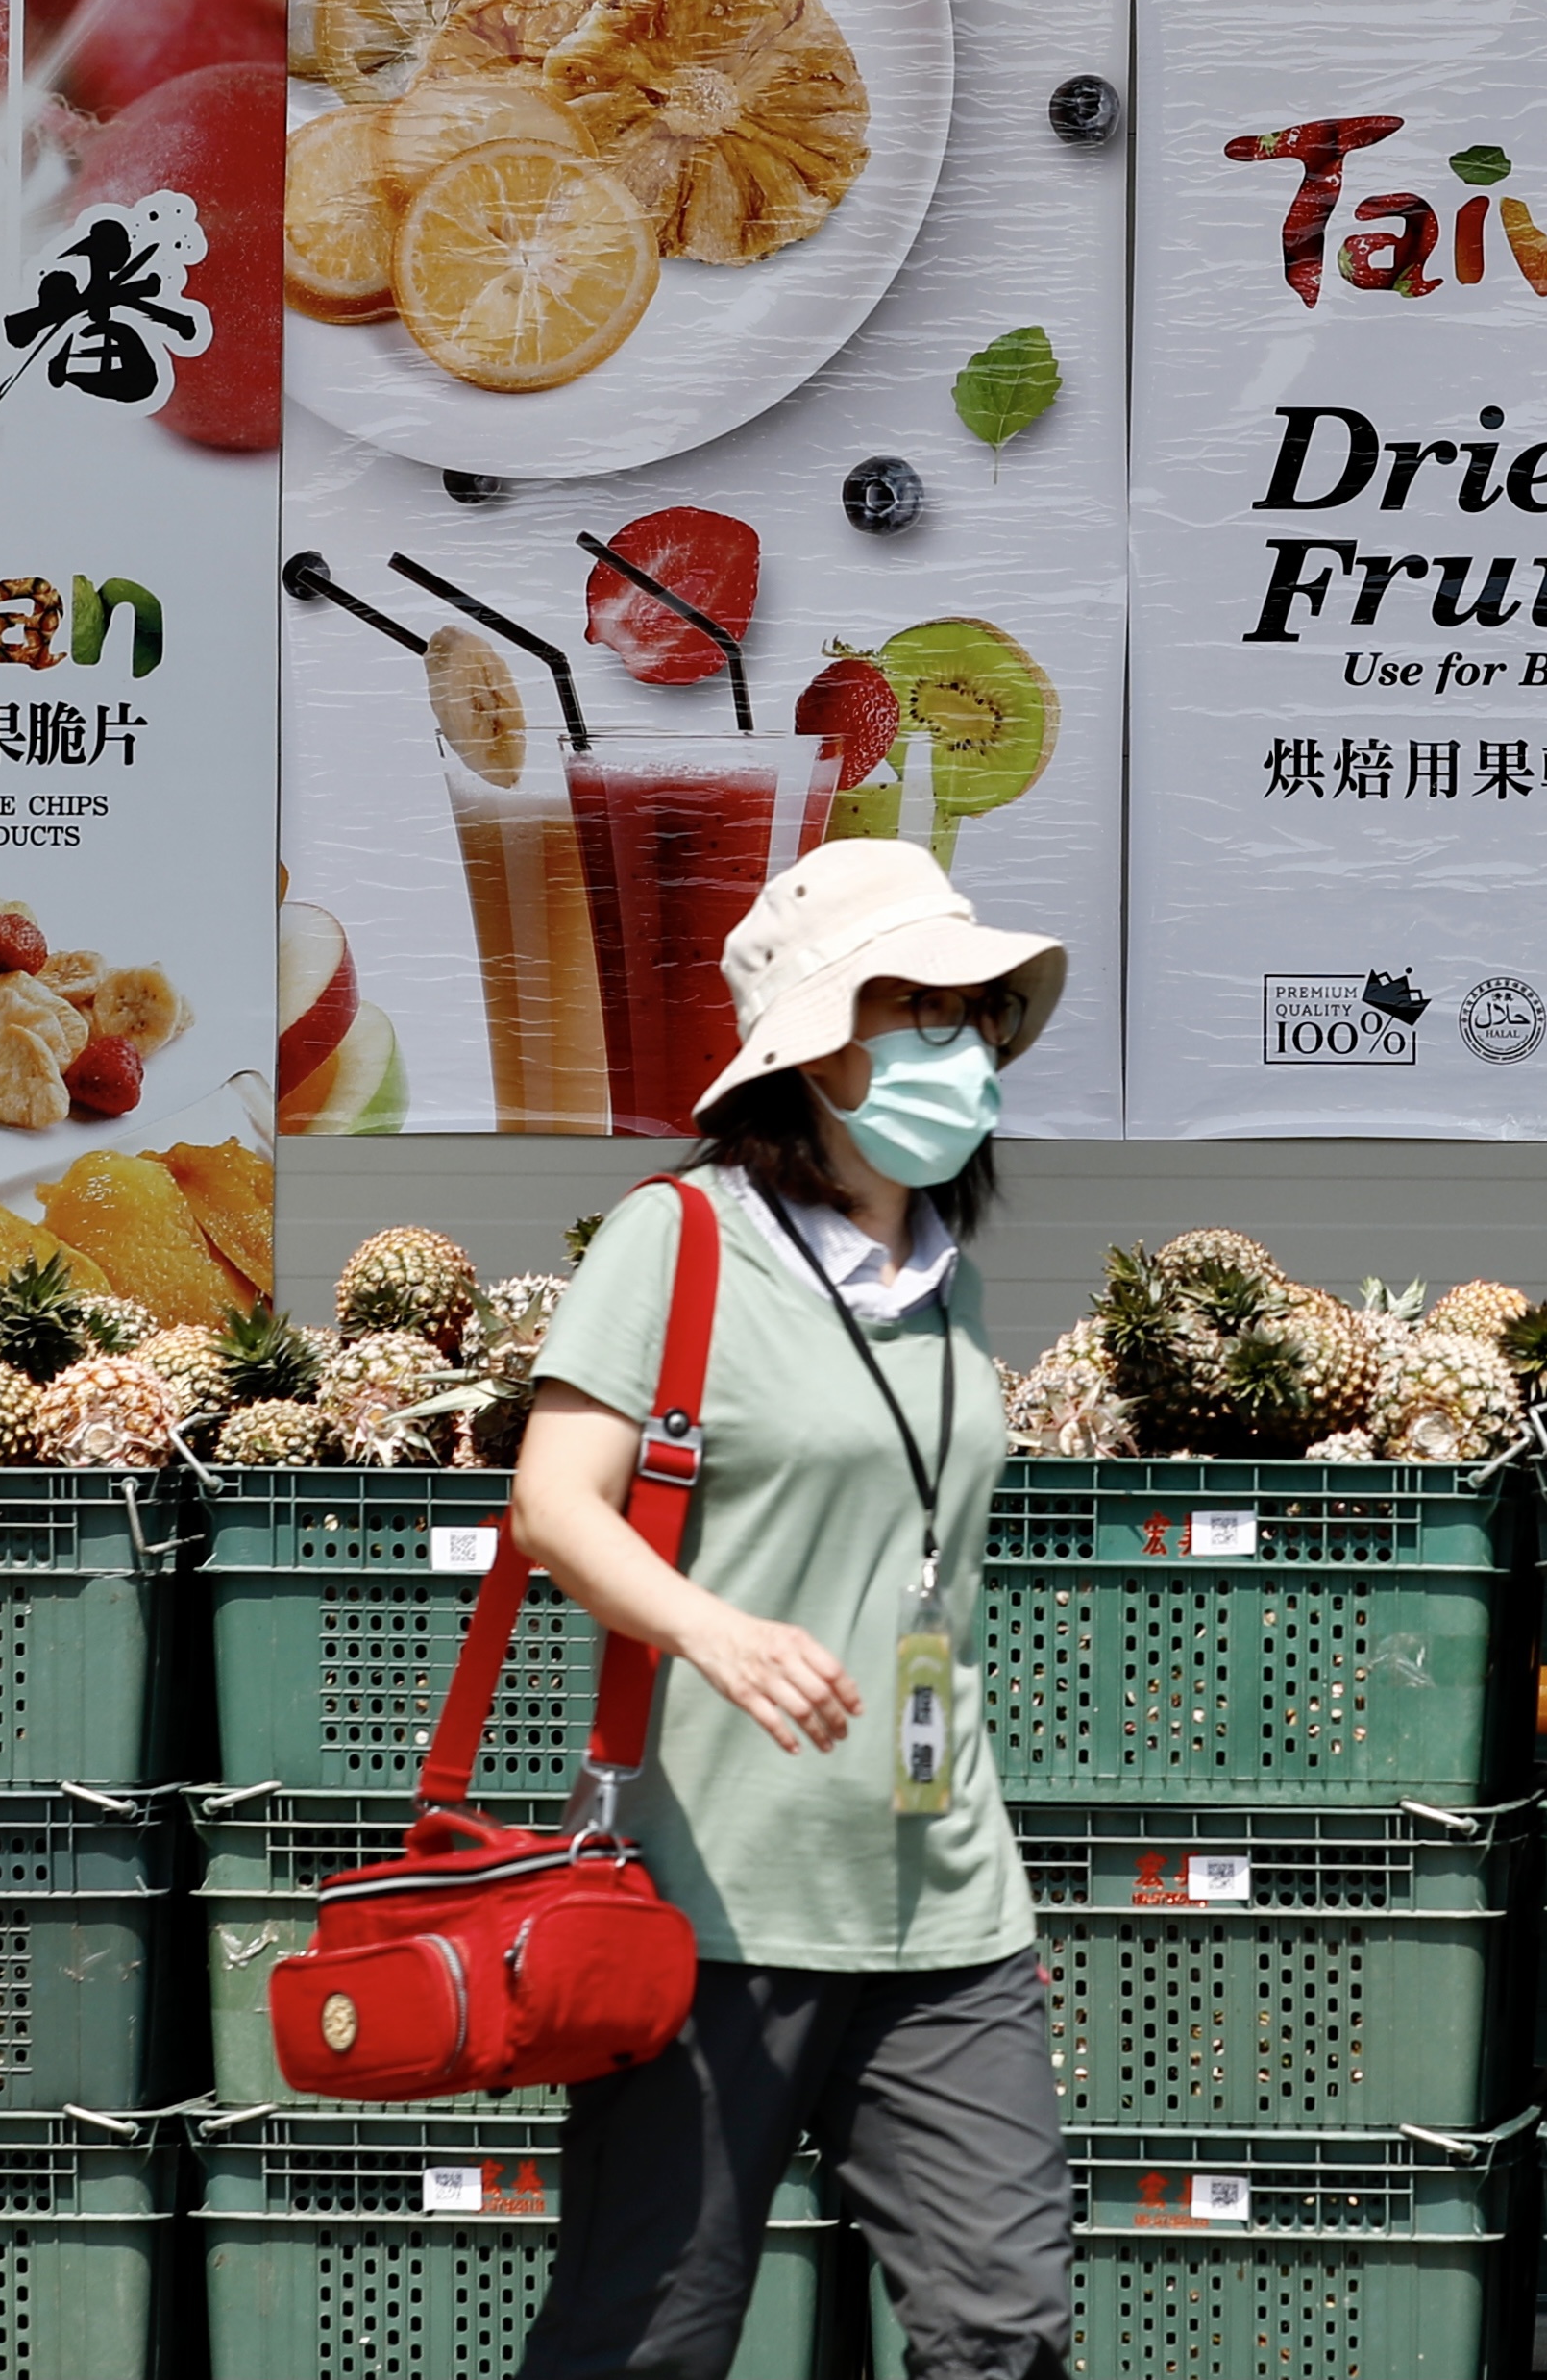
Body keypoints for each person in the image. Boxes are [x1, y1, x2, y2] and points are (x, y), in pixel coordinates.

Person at [506, 840, 1075, 2380]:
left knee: (1003, 2335)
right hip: (712, 1906)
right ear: (816, 1039)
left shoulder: (946, 1277)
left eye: (973, 1011)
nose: (954, 1043)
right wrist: (712, 1626)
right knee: (651, 2341)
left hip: (945, 1898)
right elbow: (554, 1503)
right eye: (916, 1004)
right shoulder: (678, 1241)